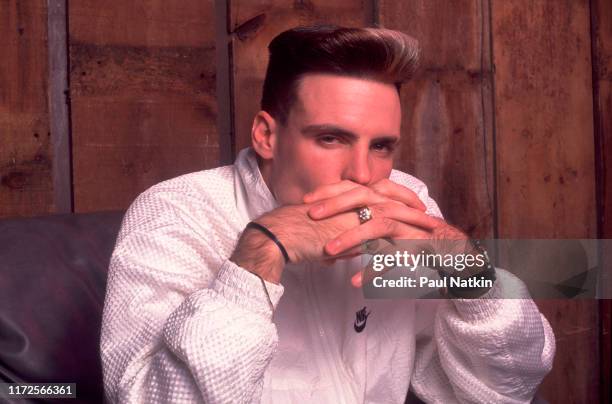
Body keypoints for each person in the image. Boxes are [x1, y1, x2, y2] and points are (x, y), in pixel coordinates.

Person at [101, 25, 555, 403]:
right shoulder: (177, 212)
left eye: (381, 146)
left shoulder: (403, 201)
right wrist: (258, 257)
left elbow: (503, 388)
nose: (362, 174)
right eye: (331, 138)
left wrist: (468, 273)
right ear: (266, 135)